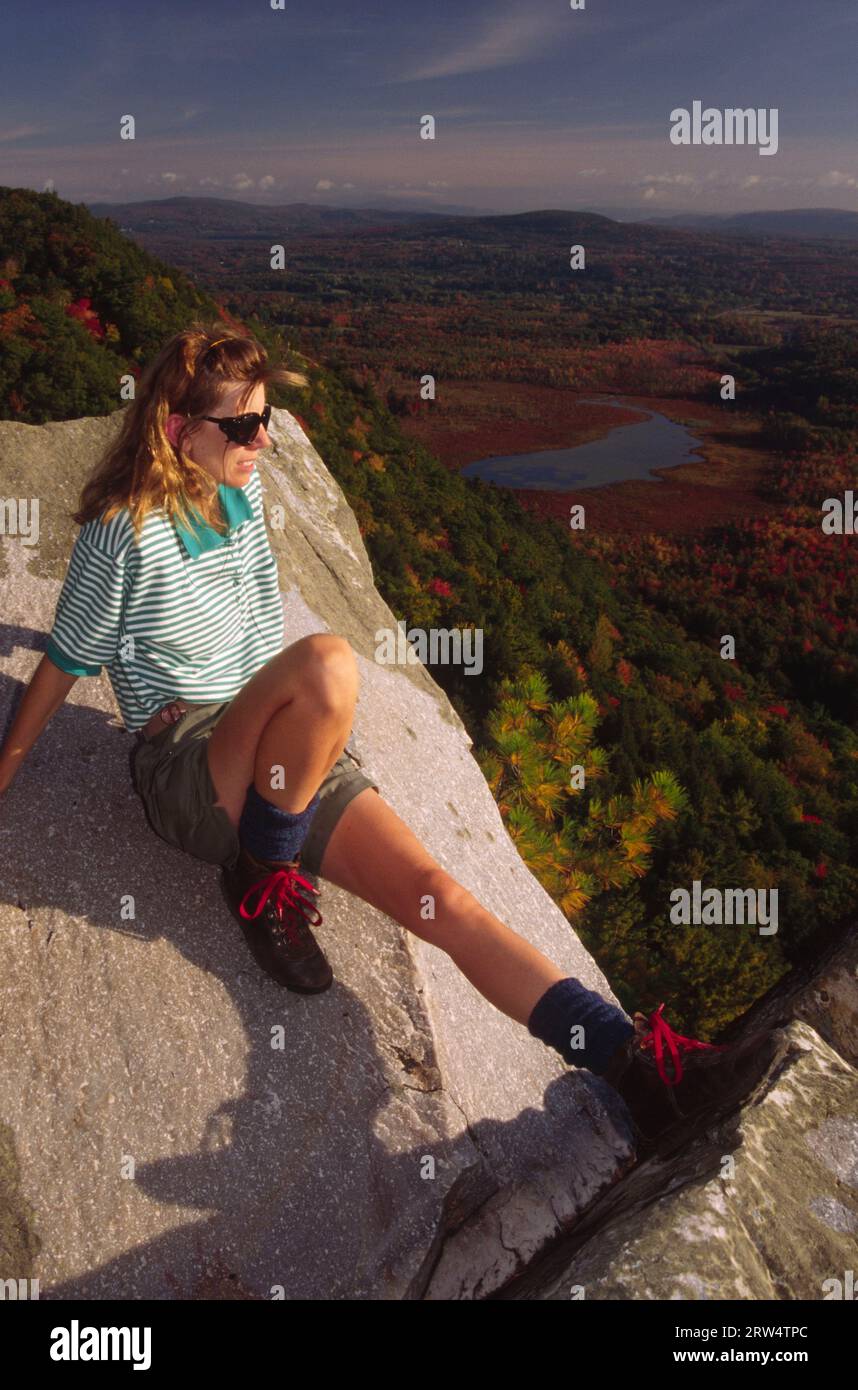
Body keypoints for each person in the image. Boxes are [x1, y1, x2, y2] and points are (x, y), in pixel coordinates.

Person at [0, 323, 767, 1156]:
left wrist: (308, 742)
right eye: (243, 425)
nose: (263, 439)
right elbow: (69, 655)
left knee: (443, 896)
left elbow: (261, 624)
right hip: (190, 761)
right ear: (178, 428)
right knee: (329, 662)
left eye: (266, 419)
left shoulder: (243, 495)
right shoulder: (123, 529)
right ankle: (261, 871)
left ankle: (634, 1067)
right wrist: (7, 768)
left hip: (279, 756)